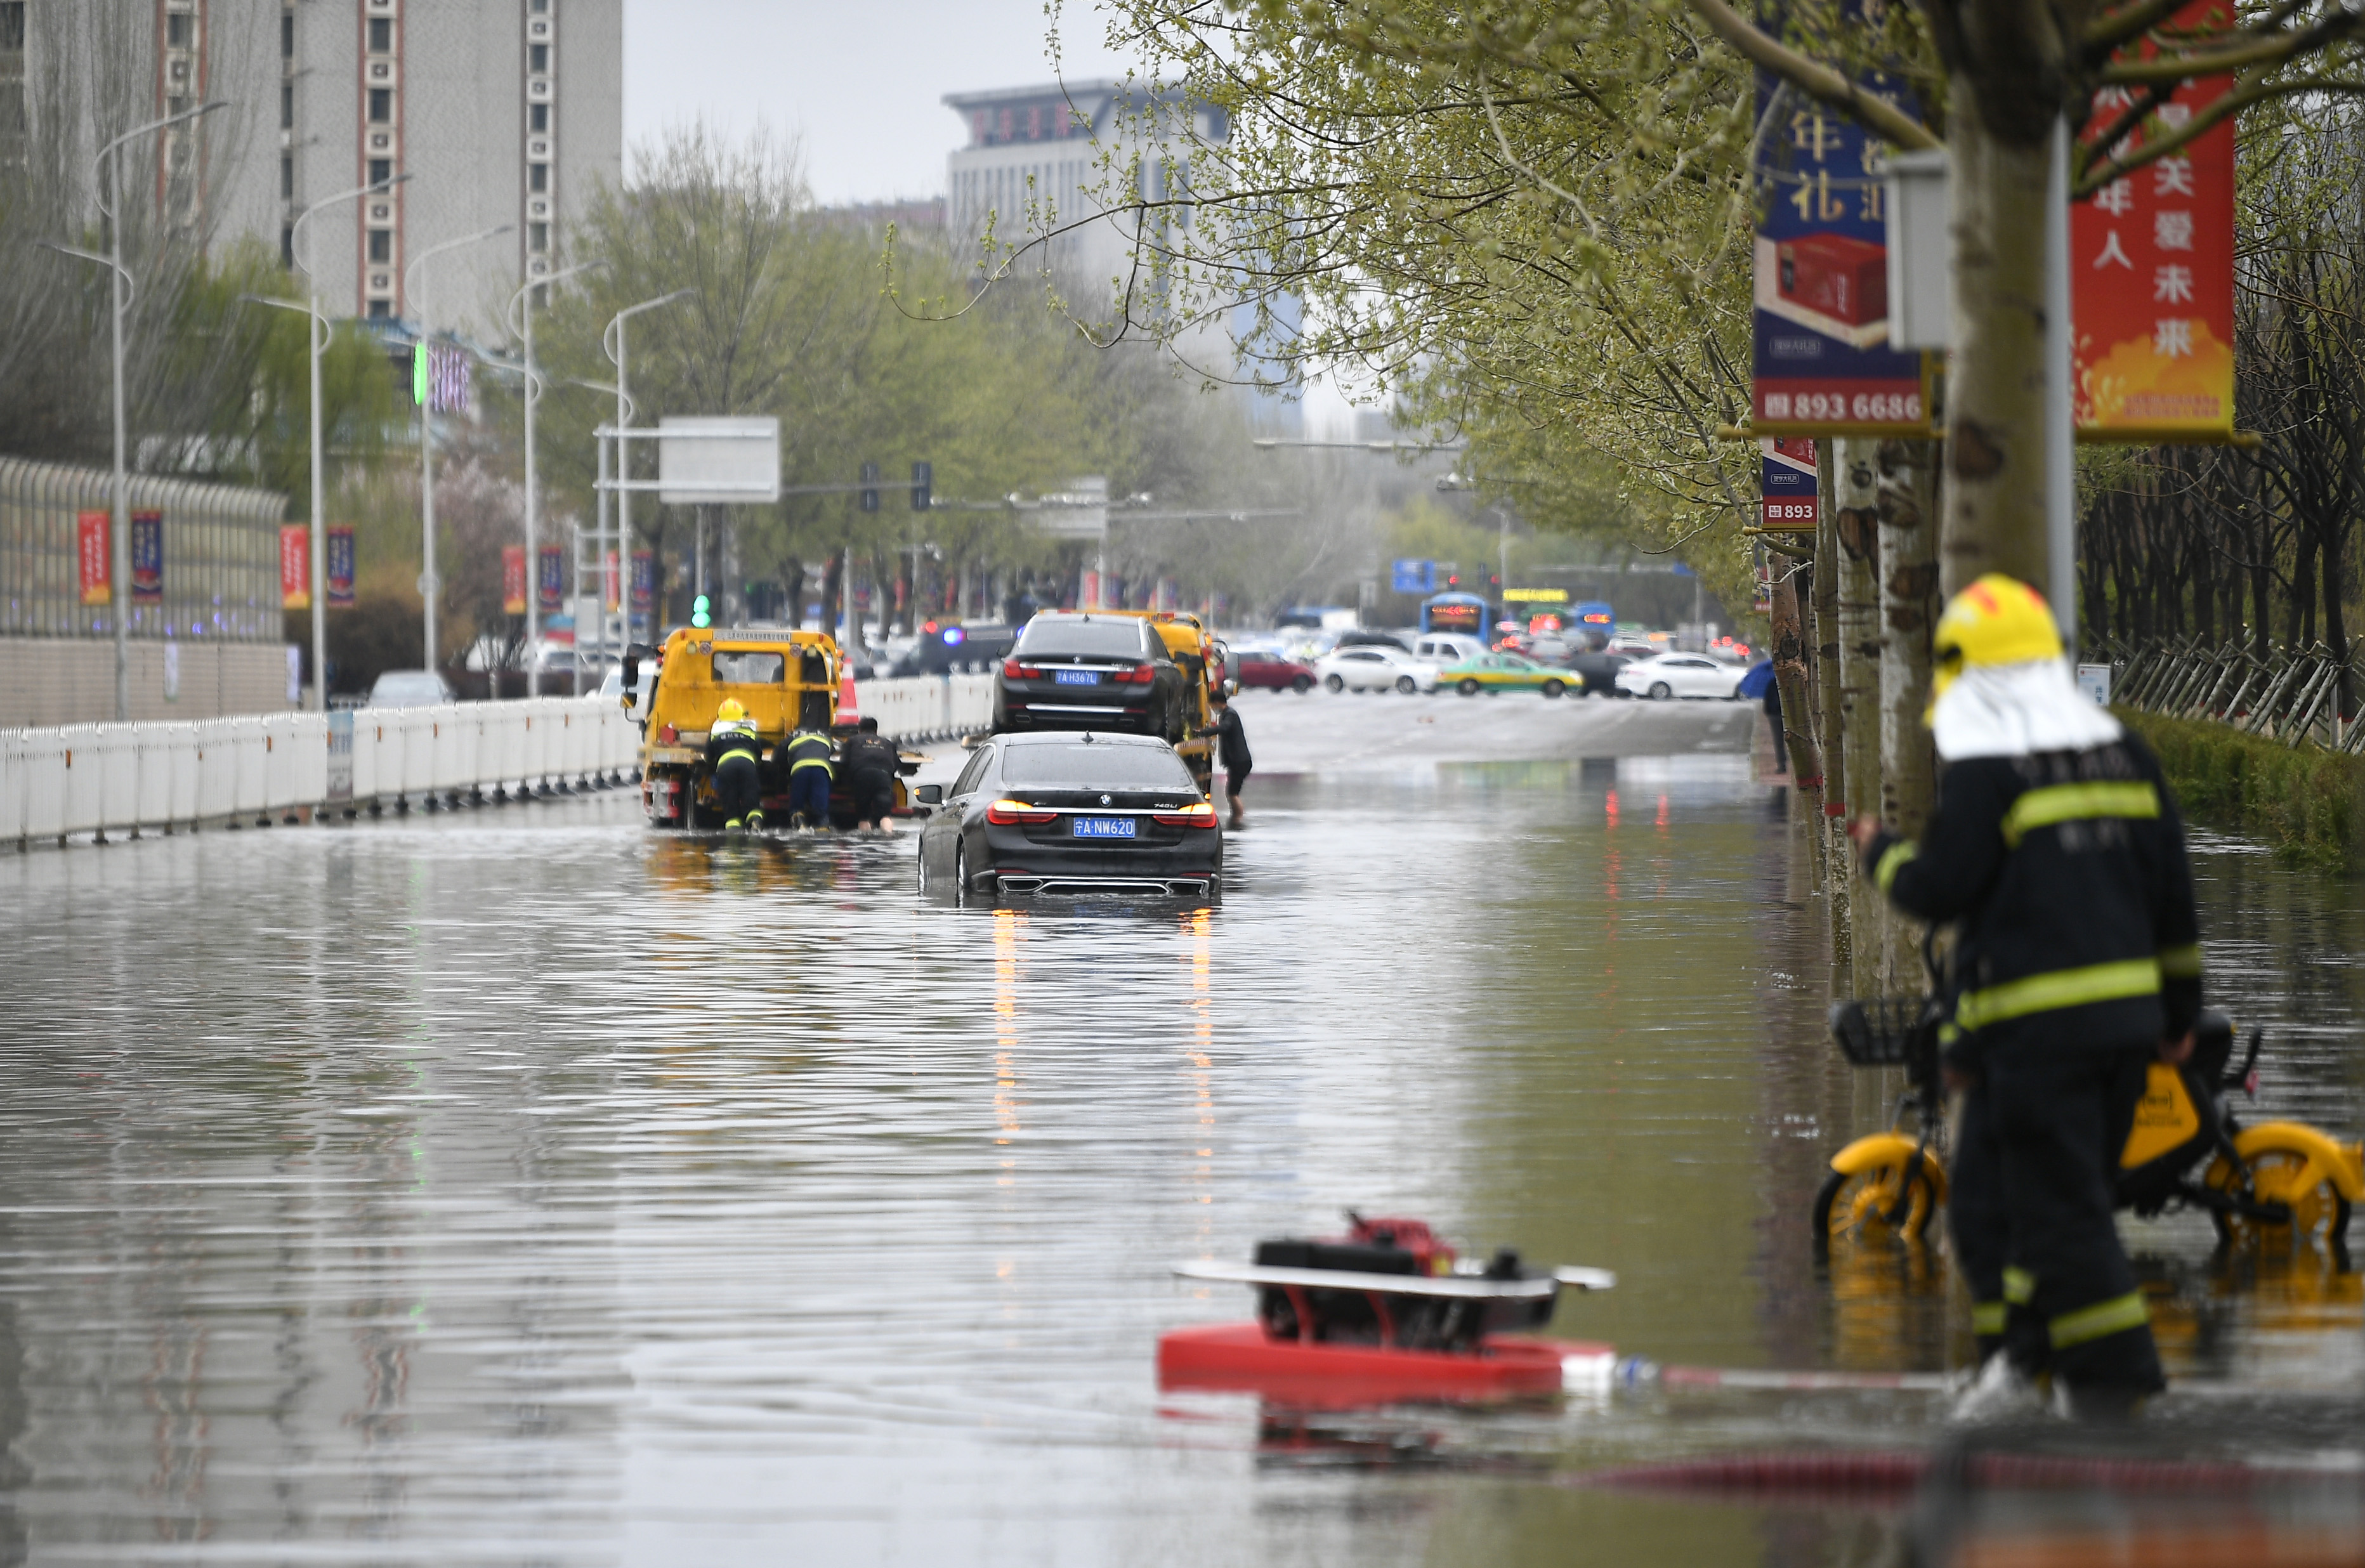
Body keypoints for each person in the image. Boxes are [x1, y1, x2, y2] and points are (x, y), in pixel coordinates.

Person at [1851, 574, 2198, 1421]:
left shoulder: (1988, 768)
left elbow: (1943, 888)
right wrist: (2179, 1017)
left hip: (2039, 1043)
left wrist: (1880, 853)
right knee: (1990, 1204)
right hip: (2117, 1037)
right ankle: (2017, 1365)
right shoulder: (2127, 751)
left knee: (2058, 1218)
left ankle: (2116, 1386)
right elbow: (2173, 895)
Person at [704, 698, 764, 830]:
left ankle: (734, 831)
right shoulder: (749, 729)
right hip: (747, 765)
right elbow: (758, 753)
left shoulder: (716, 730)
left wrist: (711, 765)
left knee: (730, 802)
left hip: (726, 767)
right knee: (751, 798)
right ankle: (754, 819)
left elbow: (708, 756)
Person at [838, 716, 901, 832]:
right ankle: (889, 837)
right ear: (876, 730)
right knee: (885, 815)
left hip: (862, 776)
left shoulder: (852, 741)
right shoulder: (888, 743)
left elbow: (845, 763)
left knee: (864, 816)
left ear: (860, 730)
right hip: (883, 777)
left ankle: (865, 839)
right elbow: (896, 765)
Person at [776, 721, 836, 830]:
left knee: (797, 807)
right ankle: (822, 830)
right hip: (821, 770)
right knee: (821, 811)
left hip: (800, 769)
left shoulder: (793, 737)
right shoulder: (825, 737)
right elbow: (832, 751)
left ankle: (799, 818)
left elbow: (778, 757)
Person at [1210, 688, 1251, 827]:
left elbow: (1224, 728)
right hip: (1238, 761)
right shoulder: (1229, 714)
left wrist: (1204, 732)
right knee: (1232, 792)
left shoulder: (1230, 715)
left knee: (1232, 792)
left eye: (1212, 705)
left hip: (1239, 761)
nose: (1212, 708)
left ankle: (1237, 819)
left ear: (1217, 702)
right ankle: (1236, 817)